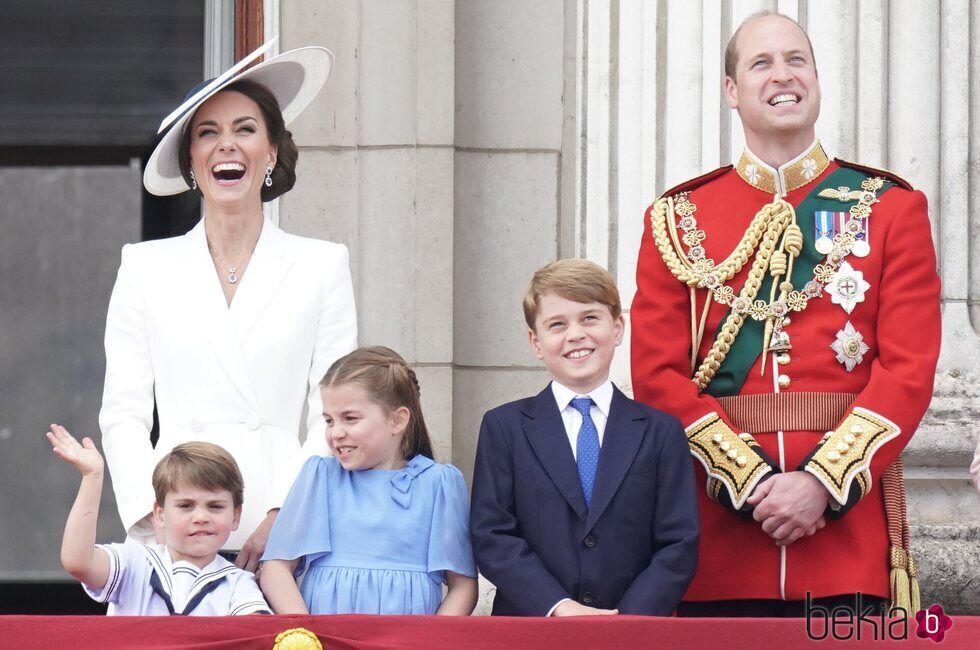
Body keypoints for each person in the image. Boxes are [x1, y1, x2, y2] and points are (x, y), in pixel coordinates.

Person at [630, 11, 941, 617]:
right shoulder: (677, 218)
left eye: (796, 60)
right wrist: (753, 485)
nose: (783, 76)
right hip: (718, 547)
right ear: (731, 91)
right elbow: (657, 376)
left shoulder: (890, 209)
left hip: (844, 543)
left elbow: (907, 371)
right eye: (762, 63)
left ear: (818, 80)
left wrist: (821, 484)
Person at [99, 40, 357, 572]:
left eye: (245, 130)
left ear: (271, 152)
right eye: (208, 133)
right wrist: (153, 518)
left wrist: (287, 513)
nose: (227, 146)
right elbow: (122, 412)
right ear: (190, 161)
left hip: (284, 525)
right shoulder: (144, 267)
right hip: (173, 521)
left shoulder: (321, 265)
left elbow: (333, 413)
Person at [470, 259, 699, 616]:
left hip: (631, 634)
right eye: (557, 324)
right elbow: (493, 536)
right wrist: (559, 607)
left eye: (589, 318)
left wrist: (627, 622)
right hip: (532, 629)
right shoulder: (505, 428)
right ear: (536, 341)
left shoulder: (661, 431)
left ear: (618, 327)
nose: (575, 334)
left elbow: (678, 543)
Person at [259, 346, 478, 615]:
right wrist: (304, 631)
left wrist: (430, 642)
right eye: (329, 420)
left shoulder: (439, 484)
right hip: (327, 640)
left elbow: (463, 585)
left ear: (397, 420)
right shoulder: (320, 477)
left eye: (350, 419)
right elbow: (276, 567)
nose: (336, 432)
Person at [46, 425, 270, 616]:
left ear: (236, 516)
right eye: (186, 506)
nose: (201, 517)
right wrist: (92, 477)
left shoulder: (239, 584)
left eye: (215, 506)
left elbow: (253, 636)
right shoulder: (134, 563)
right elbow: (78, 562)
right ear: (159, 514)